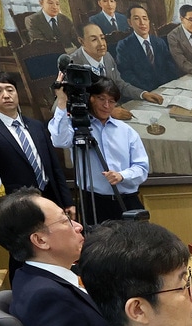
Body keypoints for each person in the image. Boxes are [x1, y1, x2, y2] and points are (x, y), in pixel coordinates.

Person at [0, 188, 108, 326]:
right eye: (65, 220)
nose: (78, 226)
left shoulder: (29, 275)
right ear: (40, 240)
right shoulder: (47, 296)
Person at [49, 77, 150, 224]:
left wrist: (122, 175)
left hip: (127, 201)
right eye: (101, 99)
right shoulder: (78, 127)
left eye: (112, 101)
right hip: (94, 202)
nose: (106, 105)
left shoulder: (126, 131)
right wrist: (62, 100)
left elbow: (142, 167)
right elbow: (59, 140)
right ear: (91, 98)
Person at [0, 71, 73, 214]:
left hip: (50, 197)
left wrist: (67, 202)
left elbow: (54, 167)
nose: (6, 95)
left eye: (10, 90)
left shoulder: (36, 125)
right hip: (17, 205)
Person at [70, 24, 165, 111]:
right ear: (81, 41)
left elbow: (120, 84)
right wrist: (109, 112)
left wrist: (143, 94)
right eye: (94, 40)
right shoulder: (73, 64)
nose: (101, 44)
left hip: (115, 107)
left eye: (102, 38)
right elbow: (76, 103)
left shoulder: (107, 56)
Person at [115, 3, 180, 93]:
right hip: (143, 92)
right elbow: (127, 75)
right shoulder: (124, 46)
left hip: (166, 88)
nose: (142, 23)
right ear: (130, 22)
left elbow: (170, 65)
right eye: (137, 18)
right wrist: (148, 92)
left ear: (148, 21)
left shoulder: (159, 42)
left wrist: (171, 85)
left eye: (145, 18)